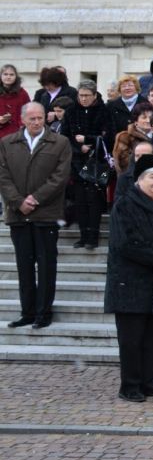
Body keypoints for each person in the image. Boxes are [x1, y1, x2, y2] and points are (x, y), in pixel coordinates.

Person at [104, 155, 153, 402]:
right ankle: (130, 385)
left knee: (152, 338)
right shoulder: (125, 205)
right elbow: (127, 242)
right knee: (131, 339)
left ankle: (147, 381)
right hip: (130, 283)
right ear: (139, 179)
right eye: (152, 177)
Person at [0, 103, 72, 329]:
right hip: (18, 215)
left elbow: (60, 177)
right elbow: (3, 176)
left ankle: (44, 312)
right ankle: (27, 312)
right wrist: (18, 202)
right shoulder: (7, 143)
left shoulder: (60, 142)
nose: (36, 122)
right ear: (22, 119)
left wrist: (35, 199)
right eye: (31, 118)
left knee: (46, 265)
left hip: (46, 214)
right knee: (24, 265)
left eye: (40, 118)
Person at [63, 81, 111, 249]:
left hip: (97, 163)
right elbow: (64, 137)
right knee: (80, 201)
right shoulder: (70, 111)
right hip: (76, 163)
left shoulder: (104, 111)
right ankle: (83, 236)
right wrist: (78, 147)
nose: (83, 99)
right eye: (81, 95)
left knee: (95, 200)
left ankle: (93, 237)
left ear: (95, 95)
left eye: (87, 95)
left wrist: (88, 140)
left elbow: (108, 136)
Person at [0, 65, 31, 140]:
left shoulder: (22, 93)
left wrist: (22, 125)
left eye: (11, 74)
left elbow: (29, 111)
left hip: (17, 134)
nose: (8, 77)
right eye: (5, 74)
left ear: (16, 77)